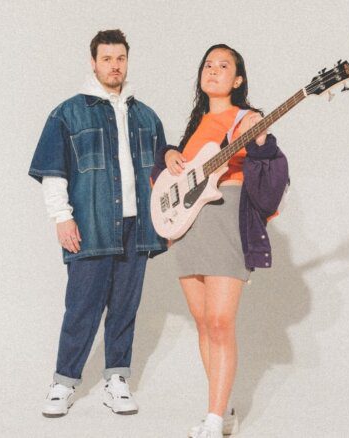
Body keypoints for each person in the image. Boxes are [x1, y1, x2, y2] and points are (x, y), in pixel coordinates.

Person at [151, 44, 289, 438]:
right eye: (208, 65)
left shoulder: (247, 118)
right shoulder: (197, 124)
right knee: (202, 323)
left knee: (220, 321)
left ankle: (212, 421)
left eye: (223, 65)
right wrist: (169, 154)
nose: (213, 70)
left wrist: (261, 141)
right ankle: (223, 410)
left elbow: (271, 171)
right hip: (189, 226)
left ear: (238, 79)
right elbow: (178, 176)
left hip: (227, 215)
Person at [29, 29, 167, 418]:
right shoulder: (68, 113)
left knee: (125, 307)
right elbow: (53, 172)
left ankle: (117, 379)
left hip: (137, 228)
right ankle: (63, 382)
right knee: (82, 307)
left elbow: (163, 179)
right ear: (93, 63)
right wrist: (62, 217)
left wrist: (166, 224)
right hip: (91, 225)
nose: (114, 65)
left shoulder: (146, 116)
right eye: (106, 59)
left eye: (120, 58)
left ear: (127, 61)